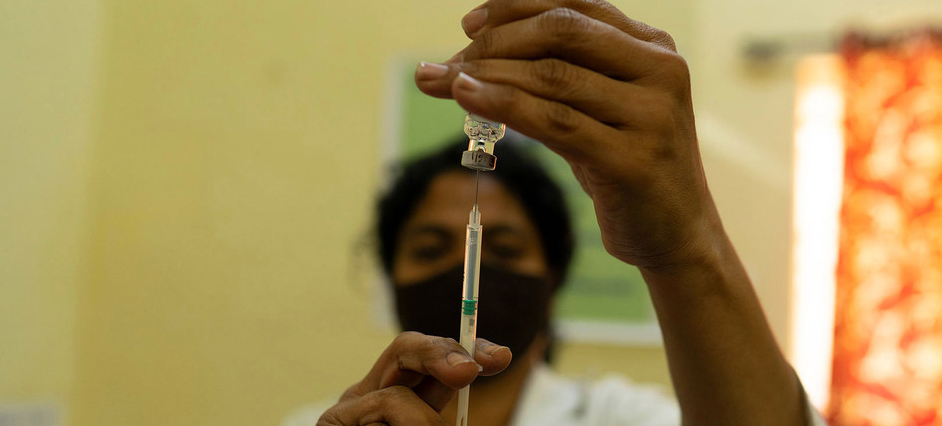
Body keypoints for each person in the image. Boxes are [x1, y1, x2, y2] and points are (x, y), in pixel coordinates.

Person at [299, 1, 831, 425]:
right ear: (390, 276)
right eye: (430, 249)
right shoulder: (326, 423)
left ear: (553, 278)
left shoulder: (621, 418)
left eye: (505, 249)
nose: (471, 267)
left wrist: (684, 246)